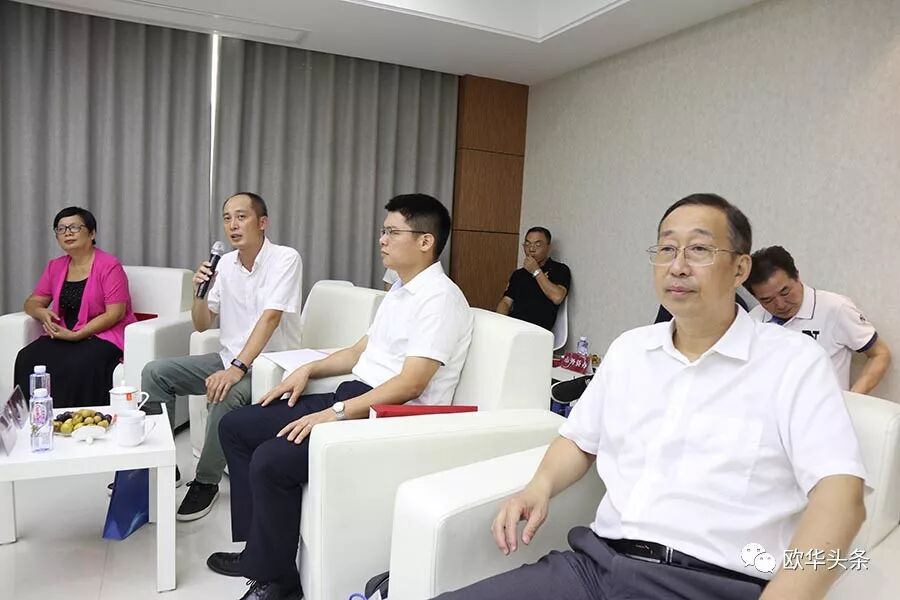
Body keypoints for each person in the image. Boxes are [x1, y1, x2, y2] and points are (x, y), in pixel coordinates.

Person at [435, 194, 867, 600]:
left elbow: (841, 500)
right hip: (595, 569)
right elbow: (578, 440)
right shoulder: (630, 349)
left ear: (740, 269)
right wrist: (539, 487)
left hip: (709, 584)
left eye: (699, 250)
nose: (677, 266)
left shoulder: (793, 361)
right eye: (666, 249)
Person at [207, 193, 473, 600]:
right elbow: (359, 351)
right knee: (236, 426)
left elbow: (411, 384)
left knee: (272, 460)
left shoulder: (441, 299)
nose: (381, 239)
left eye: (392, 232)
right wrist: (308, 369)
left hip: (387, 417)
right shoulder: (400, 291)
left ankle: (279, 584)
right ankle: (257, 553)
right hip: (355, 396)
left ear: (425, 241)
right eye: (383, 231)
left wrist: (336, 413)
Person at [140, 192, 303, 521]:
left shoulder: (285, 258)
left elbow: (270, 318)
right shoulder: (225, 264)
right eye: (227, 218)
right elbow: (202, 324)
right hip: (229, 359)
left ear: (262, 222)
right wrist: (199, 292)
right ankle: (161, 466)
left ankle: (206, 481)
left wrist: (237, 368)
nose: (233, 225)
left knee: (227, 392)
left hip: (272, 367)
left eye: (241, 217)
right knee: (155, 373)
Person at [14, 207, 136, 408]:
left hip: (102, 334)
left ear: (92, 233)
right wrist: (41, 312)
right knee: (27, 357)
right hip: (65, 331)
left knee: (78, 363)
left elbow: (115, 313)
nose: (67, 233)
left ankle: (79, 419)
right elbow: (32, 302)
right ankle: (35, 418)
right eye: (61, 229)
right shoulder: (55, 266)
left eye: (74, 227)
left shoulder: (110, 266)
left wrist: (77, 335)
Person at [744, 245, 891, 394]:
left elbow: (880, 353)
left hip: (825, 405)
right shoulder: (753, 320)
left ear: (797, 276)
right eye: (767, 300)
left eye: (785, 292)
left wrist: (852, 398)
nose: (780, 305)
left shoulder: (835, 308)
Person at [496, 227, 570, 331]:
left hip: (538, 331)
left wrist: (535, 271)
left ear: (548, 247)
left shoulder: (560, 269)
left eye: (537, 245)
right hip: (514, 326)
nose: (531, 249)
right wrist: (499, 321)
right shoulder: (519, 274)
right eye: (527, 244)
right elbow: (506, 302)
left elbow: (557, 297)